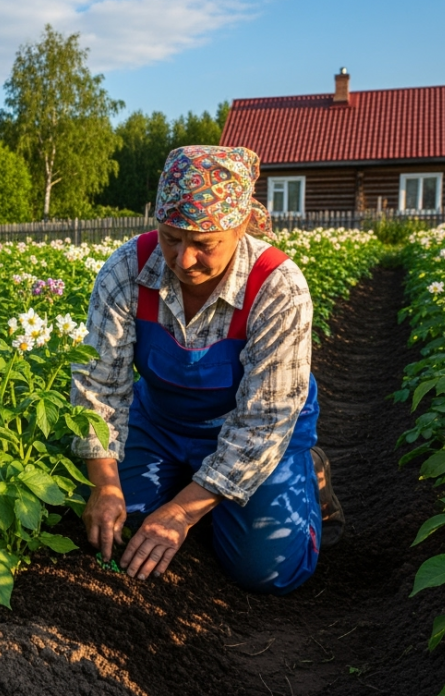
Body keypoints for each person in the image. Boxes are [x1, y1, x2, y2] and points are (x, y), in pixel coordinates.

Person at [70, 145, 344, 595]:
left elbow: (263, 421)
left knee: (266, 570)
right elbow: (99, 387)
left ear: (240, 229)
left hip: (255, 435)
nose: (182, 260)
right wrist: (104, 485)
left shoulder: (276, 286)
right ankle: (201, 491)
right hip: (162, 425)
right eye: (171, 237)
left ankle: (306, 478)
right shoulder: (127, 270)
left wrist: (181, 513)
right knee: (122, 527)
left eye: (204, 244)